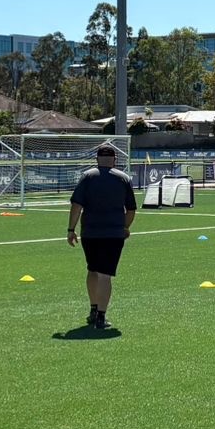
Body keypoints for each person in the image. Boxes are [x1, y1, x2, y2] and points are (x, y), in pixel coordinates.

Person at [68, 141, 139, 329]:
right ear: (114, 160)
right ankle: (101, 315)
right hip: (113, 234)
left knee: (92, 269)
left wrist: (71, 229)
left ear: (97, 159)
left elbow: (77, 205)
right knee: (105, 275)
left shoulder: (87, 177)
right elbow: (131, 209)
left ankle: (93, 309)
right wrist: (124, 227)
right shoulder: (123, 178)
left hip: (90, 232)